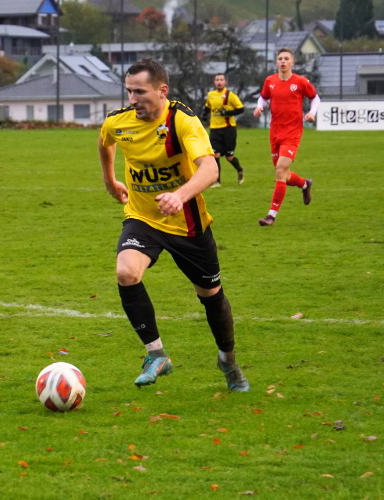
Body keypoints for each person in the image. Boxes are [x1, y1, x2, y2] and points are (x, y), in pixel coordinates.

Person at [98, 58, 249, 392]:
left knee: (211, 297)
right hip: (143, 218)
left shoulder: (182, 120)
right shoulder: (119, 122)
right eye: (128, 92)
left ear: (162, 91)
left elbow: (210, 170)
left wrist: (180, 196)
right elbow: (105, 142)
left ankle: (228, 360)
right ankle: (156, 354)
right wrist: (110, 181)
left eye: (140, 92)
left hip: (189, 226)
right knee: (126, 272)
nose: (132, 99)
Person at [252, 48, 319, 227]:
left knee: (280, 172)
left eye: (286, 58)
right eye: (280, 58)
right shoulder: (270, 81)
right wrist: (260, 107)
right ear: (276, 63)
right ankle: (305, 184)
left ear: (292, 63)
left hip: (292, 133)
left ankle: (271, 216)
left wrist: (312, 113)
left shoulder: (300, 81)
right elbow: (263, 97)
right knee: (284, 174)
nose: (282, 61)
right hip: (275, 132)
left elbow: (315, 98)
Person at [201, 73, 246, 187]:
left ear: (225, 82)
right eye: (217, 80)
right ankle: (217, 181)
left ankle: (240, 170)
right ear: (214, 82)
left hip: (228, 130)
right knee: (215, 155)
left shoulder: (229, 95)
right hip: (215, 130)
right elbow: (207, 107)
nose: (219, 82)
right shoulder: (210, 95)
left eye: (221, 80)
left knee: (229, 157)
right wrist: (204, 114)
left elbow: (241, 109)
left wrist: (228, 113)